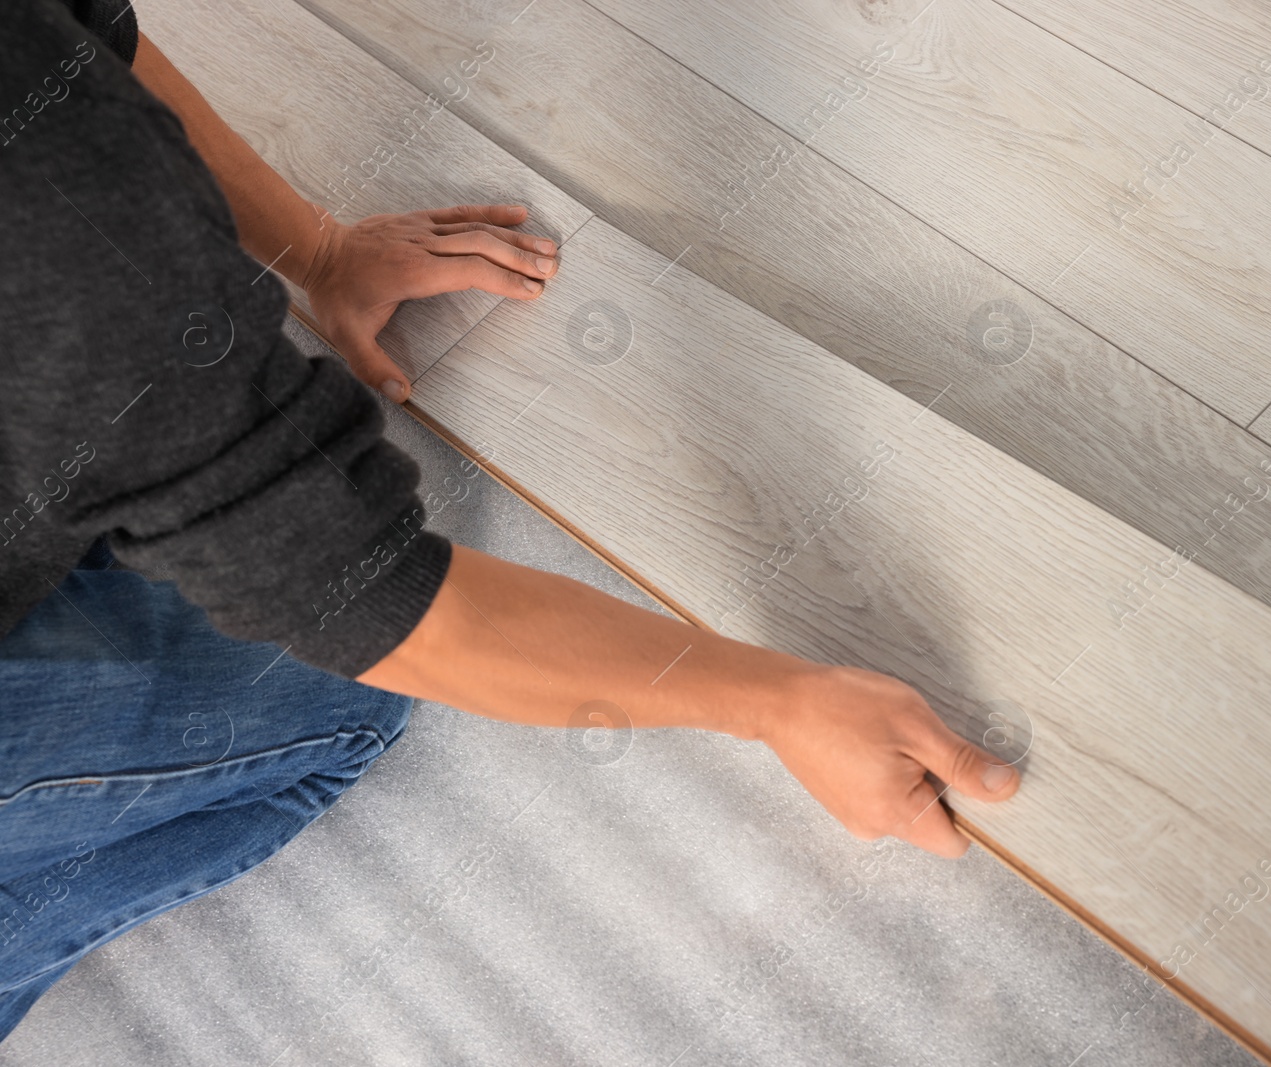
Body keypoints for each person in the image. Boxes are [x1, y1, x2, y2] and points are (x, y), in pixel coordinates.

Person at [0, 0, 1020, 1042]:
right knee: (324, 689)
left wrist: (318, 250)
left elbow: (78, 42)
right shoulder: (63, 226)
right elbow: (357, 593)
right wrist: (781, 701)